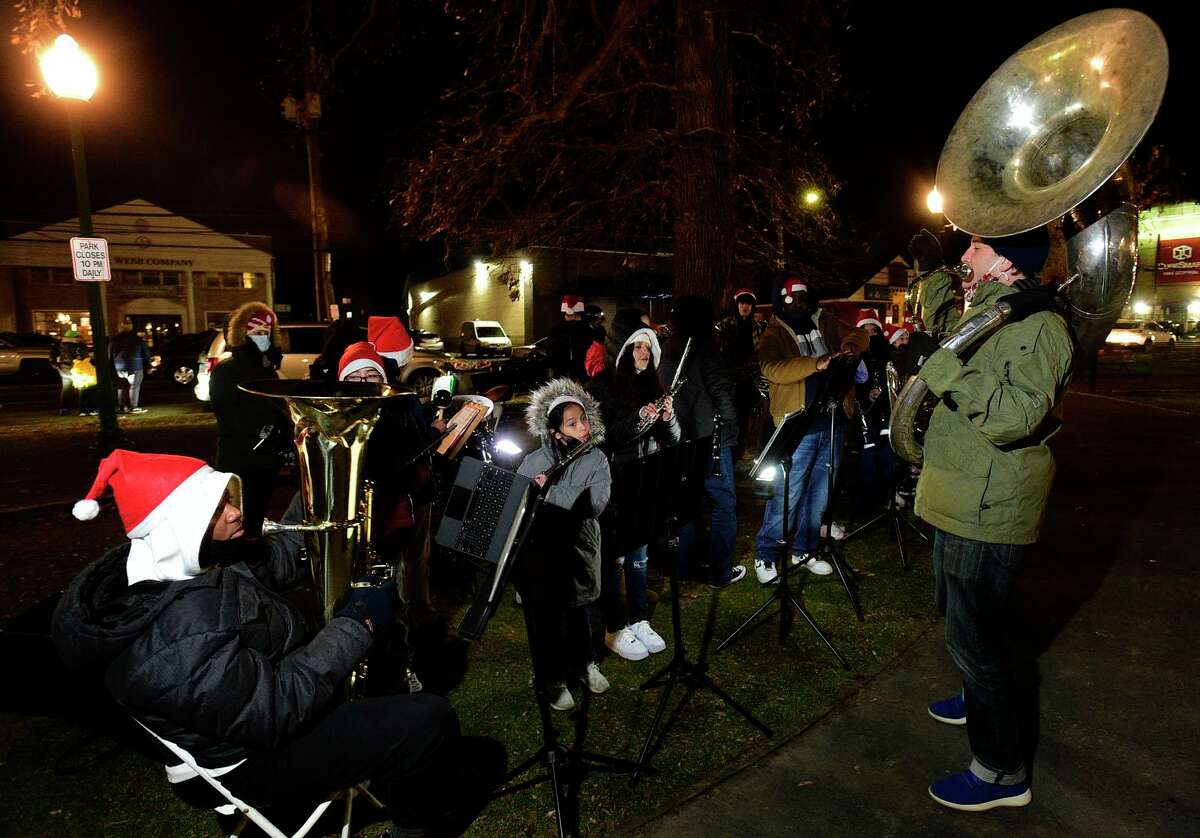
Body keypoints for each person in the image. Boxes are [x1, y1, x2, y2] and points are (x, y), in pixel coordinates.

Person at [51, 449, 504, 835]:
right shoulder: (171, 636)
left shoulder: (194, 559)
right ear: (180, 526)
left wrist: (321, 483)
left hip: (258, 716)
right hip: (247, 760)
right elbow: (273, 709)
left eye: (228, 500)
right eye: (216, 509)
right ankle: (415, 826)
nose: (235, 512)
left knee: (394, 697)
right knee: (427, 718)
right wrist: (357, 623)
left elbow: (279, 559)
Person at [915, 236, 1072, 812]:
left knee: (980, 641)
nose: (966, 254)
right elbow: (942, 315)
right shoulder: (989, 309)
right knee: (961, 622)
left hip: (987, 504)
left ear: (1007, 262)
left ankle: (1002, 773)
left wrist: (938, 369)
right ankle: (976, 692)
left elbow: (1013, 418)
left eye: (977, 246)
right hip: (960, 492)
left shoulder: (1041, 326)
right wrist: (926, 268)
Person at [752, 277, 868, 585]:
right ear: (782, 301)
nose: (800, 304)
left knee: (820, 494)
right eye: (793, 299)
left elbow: (857, 334)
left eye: (804, 297)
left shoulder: (825, 322)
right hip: (798, 425)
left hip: (833, 421)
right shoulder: (773, 334)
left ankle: (804, 549)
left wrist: (851, 346)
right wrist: (817, 363)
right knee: (787, 494)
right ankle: (766, 554)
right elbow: (772, 368)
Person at [517, 379, 612, 711]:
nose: (583, 427)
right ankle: (551, 677)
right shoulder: (533, 460)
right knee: (546, 620)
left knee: (578, 612)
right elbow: (521, 502)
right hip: (541, 555)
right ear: (555, 432)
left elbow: (595, 502)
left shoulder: (597, 459)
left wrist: (551, 493)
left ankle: (585, 663)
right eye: (572, 424)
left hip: (579, 549)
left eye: (584, 419)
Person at [337, 334, 441, 629]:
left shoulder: (400, 402)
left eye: (372, 373)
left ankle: (415, 618)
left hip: (409, 496)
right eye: (356, 376)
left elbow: (413, 447)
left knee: (412, 563)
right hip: (369, 504)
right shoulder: (342, 410)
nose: (366, 380)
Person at [588, 326, 678, 662]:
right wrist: (637, 419)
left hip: (646, 477)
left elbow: (672, 438)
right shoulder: (607, 385)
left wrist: (668, 418)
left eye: (648, 347)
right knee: (616, 555)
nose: (641, 352)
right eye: (636, 345)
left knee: (640, 552)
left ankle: (639, 618)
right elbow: (604, 435)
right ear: (626, 350)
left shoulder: (656, 386)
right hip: (617, 478)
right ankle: (614, 626)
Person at [657, 295, 745, 589]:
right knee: (723, 502)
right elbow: (719, 389)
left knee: (687, 504)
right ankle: (720, 571)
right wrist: (732, 430)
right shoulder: (702, 346)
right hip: (711, 436)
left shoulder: (669, 347)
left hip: (680, 436)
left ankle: (683, 567)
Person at [209, 302, 287, 539]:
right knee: (239, 517)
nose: (262, 338)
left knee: (257, 514)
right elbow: (227, 414)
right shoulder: (227, 371)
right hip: (241, 458)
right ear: (243, 335)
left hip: (267, 458)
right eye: (256, 333)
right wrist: (259, 433)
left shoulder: (267, 370)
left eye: (266, 333)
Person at [851, 309, 895, 521]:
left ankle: (884, 501)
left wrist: (885, 391)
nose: (869, 335)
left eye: (873, 331)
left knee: (887, 458)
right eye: (864, 331)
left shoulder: (888, 355)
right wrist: (865, 393)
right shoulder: (855, 355)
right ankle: (864, 507)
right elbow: (851, 385)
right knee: (868, 460)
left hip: (886, 413)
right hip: (865, 416)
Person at [718, 288, 768, 464]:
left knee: (748, 417)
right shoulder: (725, 325)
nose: (744, 306)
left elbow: (761, 354)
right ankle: (731, 455)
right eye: (741, 302)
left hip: (749, 380)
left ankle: (742, 453)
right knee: (731, 418)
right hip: (730, 380)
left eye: (748, 303)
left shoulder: (758, 327)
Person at [545, 295, 595, 381]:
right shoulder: (557, 329)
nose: (571, 317)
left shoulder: (584, 328)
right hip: (564, 371)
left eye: (575, 315)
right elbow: (551, 349)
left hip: (579, 371)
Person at [110, 328, 152, 413]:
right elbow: (146, 354)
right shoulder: (137, 340)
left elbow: (109, 354)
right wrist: (149, 366)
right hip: (135, 366)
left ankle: (121, 407)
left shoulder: (115, 340)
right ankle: (134, 407)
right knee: (134, 386)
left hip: (119, 367)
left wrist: (112, 366)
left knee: (121, 387)